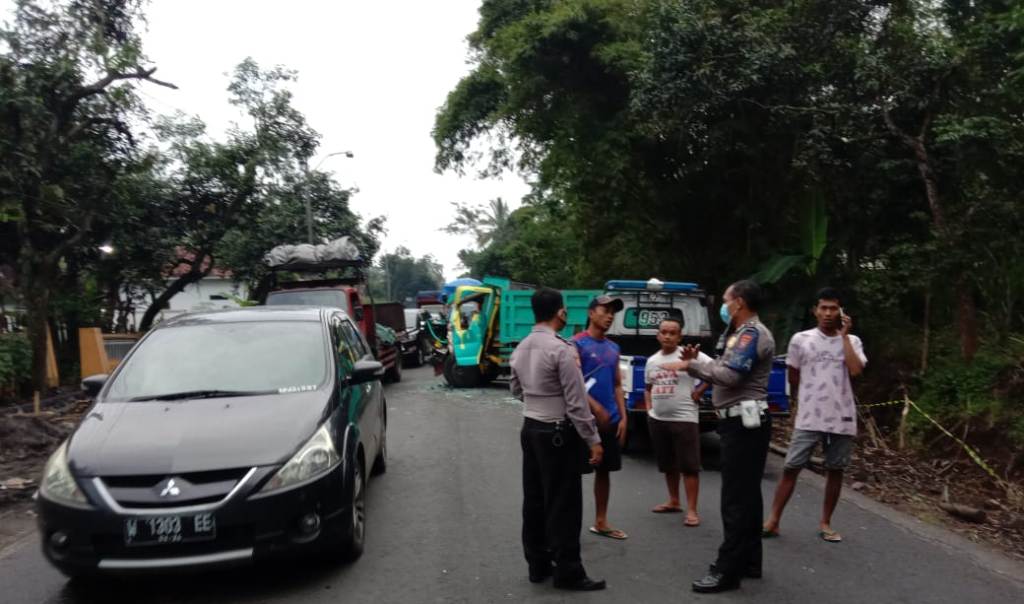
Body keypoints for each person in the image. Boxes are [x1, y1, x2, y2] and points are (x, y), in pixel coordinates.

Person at [674, 280, 775, 594]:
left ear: (740, 302)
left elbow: (731, 375)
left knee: (735, 499)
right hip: (744, 422)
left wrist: (691, 366)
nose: (724, 305)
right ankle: (749, 560)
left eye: (727, 300)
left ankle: (727, 570)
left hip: (744, 425)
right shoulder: (738, 334)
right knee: (747, 496)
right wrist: (702, 362)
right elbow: (723, 365)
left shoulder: (752, 334)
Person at [510, 287, 606, 592]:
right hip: (557, 433)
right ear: (560, 313)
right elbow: (577, 402)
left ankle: (538, 565)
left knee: (535, 499)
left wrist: (537, 400)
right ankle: (568, 572)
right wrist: (593, 439)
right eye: (564, 310)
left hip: (531, 428)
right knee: (563, 503)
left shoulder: (521, 347)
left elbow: (515, 389)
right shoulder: (561, 349)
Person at [762, 287, 867, 543]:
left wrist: (844, 337)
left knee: (835, 469)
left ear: (841, 312)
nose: (828, 313)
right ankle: (773, 519)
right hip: (810, 416)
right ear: (815, 311)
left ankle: (826, 522)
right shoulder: (801, 339)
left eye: (834, 308)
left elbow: (855, 371)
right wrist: (807, 398)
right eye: (824, 308)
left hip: (842, 417)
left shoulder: (852, 342)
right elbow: (794, 375)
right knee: (791, 467)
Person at [644, 317, 711, 527]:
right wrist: (649, 410)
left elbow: (715, 369)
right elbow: (648, 387)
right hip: (658, 419)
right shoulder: (652, 361)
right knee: (668, 464)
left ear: (679, 336)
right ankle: (674, 500)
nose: (668, 336)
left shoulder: (690, 355)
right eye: (664, 332)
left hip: (685, 418)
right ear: (658, 335)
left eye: (673, 333)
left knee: (689, 466)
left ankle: (692, 510)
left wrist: (700, 391)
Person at [573, 295, 628, 541]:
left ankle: (601, 521)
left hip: (610, 422)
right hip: (581, 421)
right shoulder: (575, 344)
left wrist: (624, 417)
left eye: (612, 313)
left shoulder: (614, 348)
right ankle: (569, 525)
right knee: (572, 473)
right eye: (605, 310)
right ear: (591, 312)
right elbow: (573, 384)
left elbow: (617, 384)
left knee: (604, 471)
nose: (609, 316)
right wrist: (594, 407)